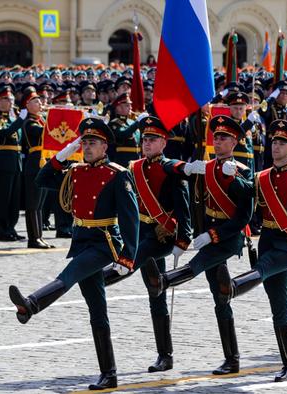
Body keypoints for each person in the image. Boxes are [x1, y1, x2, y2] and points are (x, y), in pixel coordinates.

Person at [9, 117, 139, 390]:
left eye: (93, 143)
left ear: (105, 146)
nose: (87, 147)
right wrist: (66, 151)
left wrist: (128, 256)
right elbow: (41, 178)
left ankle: (31, 304)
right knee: (97, 311)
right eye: (85, 143)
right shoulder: (76, 171)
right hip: (81, 240)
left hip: (104, 243)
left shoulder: (118, 174)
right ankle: (109, 373)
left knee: (68, 275)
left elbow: (130, 219)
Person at [144, 115, 253, 376]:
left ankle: (163, 281)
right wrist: (190, 234)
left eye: (224, 137)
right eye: (216, 137)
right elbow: (194, 201)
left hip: (228, 238)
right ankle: (232, 358)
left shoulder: (242, 170)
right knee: (220, 298)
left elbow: (245, 214)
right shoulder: (205, 169)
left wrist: (213, 235)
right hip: (207, 236)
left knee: (199, 265)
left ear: (235, 142)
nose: (218, 141)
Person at [216, 119, 287, 381]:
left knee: (263, 268)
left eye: (282, 142)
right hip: (268, 240)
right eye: (274, 141)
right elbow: (247, 193)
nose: (276, 146)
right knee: (278, 306)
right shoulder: (261, 177)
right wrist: (230, 177)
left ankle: (234, 287)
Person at [102, 115, 192, 373]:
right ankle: (165, 355)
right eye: (145, 139)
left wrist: (182, 238)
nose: (147, 143)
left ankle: (99, 279)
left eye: (153, 139)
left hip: (161, 235)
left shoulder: (171, 169)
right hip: (140, 231)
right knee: (156, 292)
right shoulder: (134, 167)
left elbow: (183, 208)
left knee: (130, 261)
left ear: (164, 142)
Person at [0, 85, 26, 241]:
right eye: (7, 99)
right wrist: (20, 121)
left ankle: (11, 227)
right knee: (3, 198)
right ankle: (3, 230)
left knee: (14, 199)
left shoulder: (12, 119)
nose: (11, 102)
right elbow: (3, 134)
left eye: (11, 99)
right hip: (3, 162)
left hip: (16, 162)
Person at [19, 87, 53, 248]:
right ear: (27, 105)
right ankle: (33, 238)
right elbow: (43, 132)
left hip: (44, 163)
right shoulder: (29, 122)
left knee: (40, 204)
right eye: (36, 101)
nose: (40, 103)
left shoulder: (41, 120)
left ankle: (39, 236)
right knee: (33, 204)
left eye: (40, 101)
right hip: (34, 163)